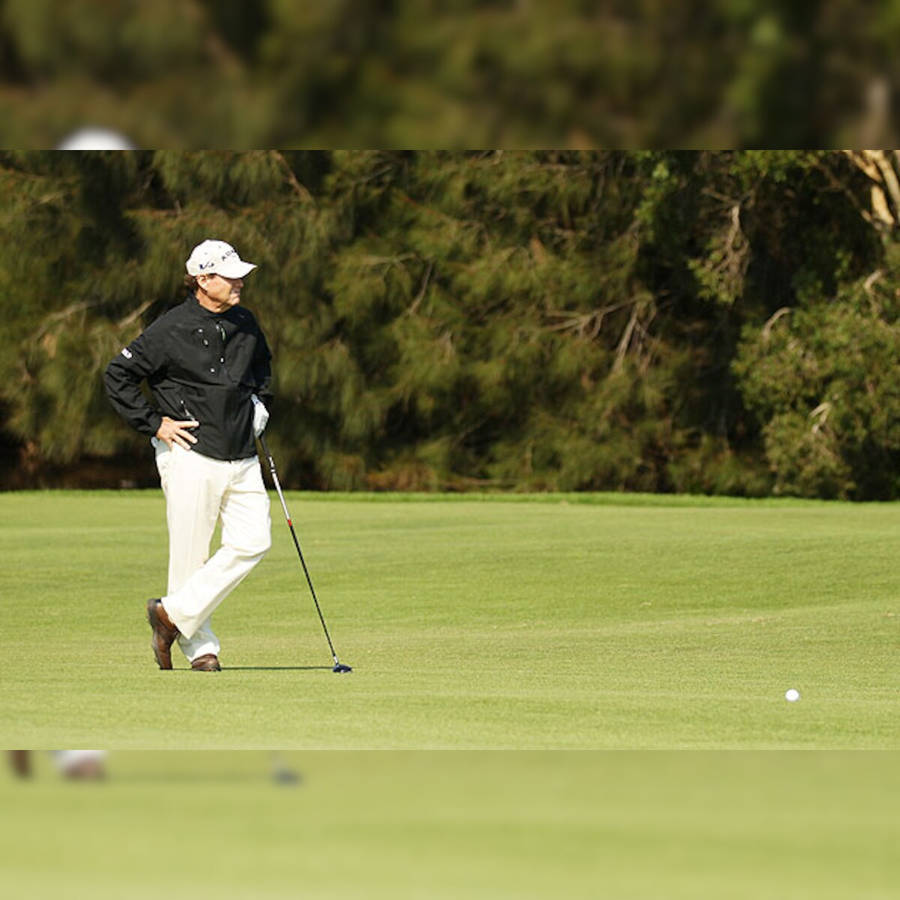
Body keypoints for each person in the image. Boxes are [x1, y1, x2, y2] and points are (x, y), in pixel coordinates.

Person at [104, 239, 273, 672]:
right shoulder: (171, 328)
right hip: (190, 454)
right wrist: (155, 423)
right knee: (190, 556)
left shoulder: (245, 322)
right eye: (230, 275)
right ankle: (202, 650)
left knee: (254, 541)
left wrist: (260, 404)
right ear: (203, 279)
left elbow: (262, 370)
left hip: (242, 455)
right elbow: (118, 375)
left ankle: (170, 615)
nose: (240, 282)